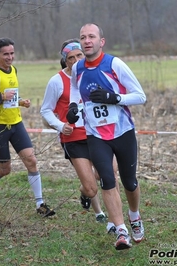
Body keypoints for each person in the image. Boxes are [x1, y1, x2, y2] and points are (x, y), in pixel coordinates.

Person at [66, 23, 146, 250]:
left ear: (102, 41)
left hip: (122, 132)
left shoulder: (114, 64)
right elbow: (75, 92)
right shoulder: (77, 68)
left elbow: (140, 96)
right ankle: (121, 232)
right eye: (83, 37)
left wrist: (114, 97)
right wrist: (73, 107)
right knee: (107, 179)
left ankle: (135, 215)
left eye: (91, 36)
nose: (87, 40)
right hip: (96, 135)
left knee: (129, 182)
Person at [0, 37, 55, 217]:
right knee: (5, 169)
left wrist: (20, 101)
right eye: (5, 54)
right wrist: (1, 97)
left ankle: (40, 204)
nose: (10, 57)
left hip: (16, 123)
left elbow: (10, 96)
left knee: (31, 161)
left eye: (12, 53)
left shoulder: (13, 70)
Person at [41, 39, 118, 231]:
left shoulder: (94, 74)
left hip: (98, 134)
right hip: (74, 138)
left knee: (108, 175)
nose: (75, 60)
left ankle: (115, 222)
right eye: (70, 58)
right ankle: (88, 196)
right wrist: (60, 126)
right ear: (65, 61)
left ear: (85, 55)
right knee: (91, 188)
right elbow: (46, 110)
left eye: (79, 55)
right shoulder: (57, 81)